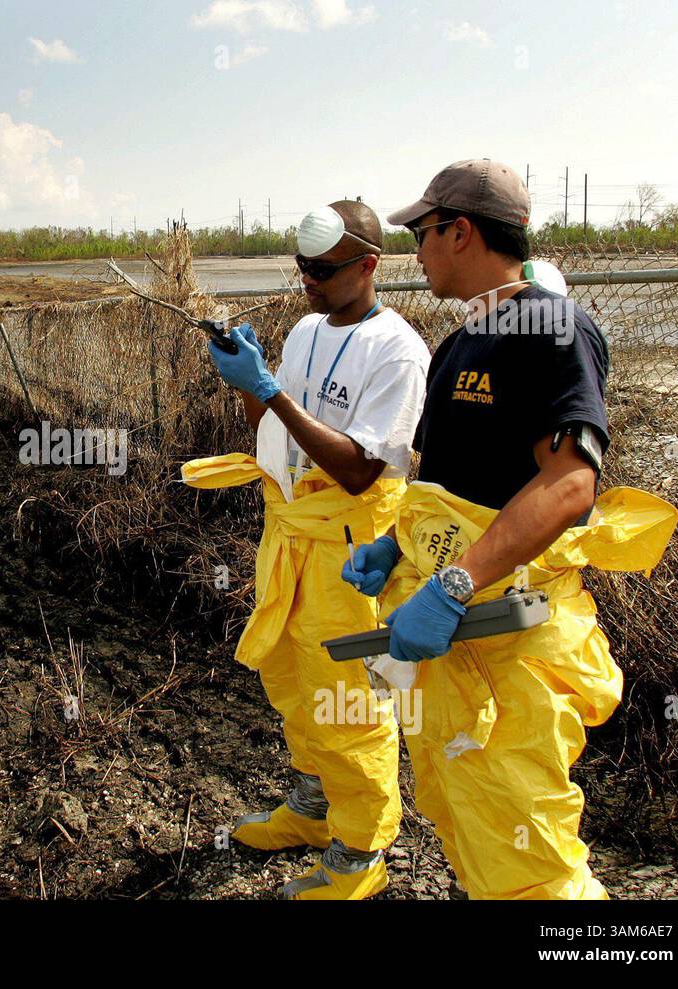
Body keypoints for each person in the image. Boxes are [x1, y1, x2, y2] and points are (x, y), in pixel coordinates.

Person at [341, 159, 678, 899]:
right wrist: (395, 545)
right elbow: (444, 484)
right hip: (457, 644)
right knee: (474, 828)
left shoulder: (553, 330)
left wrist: (455, 582)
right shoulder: (458, 347)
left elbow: (568, 484)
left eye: (423, 233)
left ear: (460, 232)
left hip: (510, 642)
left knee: (532, 861)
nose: (415, 250)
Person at [185, 200, 430, 899]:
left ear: (369, 265)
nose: (308, 281)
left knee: (348, 699)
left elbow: (361, 469)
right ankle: (314, 808)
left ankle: (361, 851)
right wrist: (248, 382)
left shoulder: (400, 352)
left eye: (323, 270)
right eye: (302, 268)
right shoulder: (305, 330)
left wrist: (269, 389)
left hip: (347, 546)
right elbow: (271, 424)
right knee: (290, 678)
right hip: (290, 532)